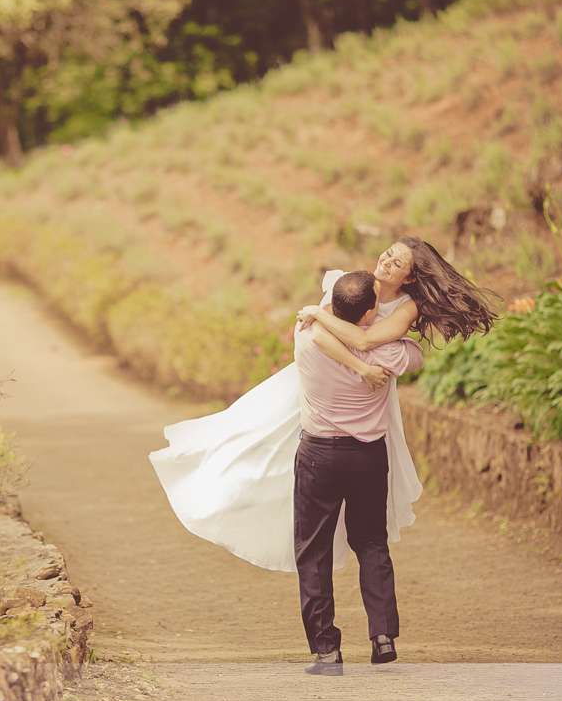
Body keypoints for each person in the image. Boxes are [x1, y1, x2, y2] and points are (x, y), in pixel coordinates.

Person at [149, 236, 496, 577]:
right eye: (388, 254)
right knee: (261, 438)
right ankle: (232, 495)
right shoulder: (356, 284)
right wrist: (360, 366)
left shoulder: (407, 308)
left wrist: (318, 313)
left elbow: (363, 338)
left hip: (362, 398)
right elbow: (318, 336)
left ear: (409, 277)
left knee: (350, 476)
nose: (386, 263)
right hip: (322, 381)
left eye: (397, 263)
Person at [293, 270, 423, 675]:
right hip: (367, 457)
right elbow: (417, 357)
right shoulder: (391, 354)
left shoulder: (305, 334)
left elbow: (322, 324)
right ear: (369, 315)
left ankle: (327, 653)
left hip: (318, 455)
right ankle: (382, 637)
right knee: (371, 543)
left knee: (313, 552)